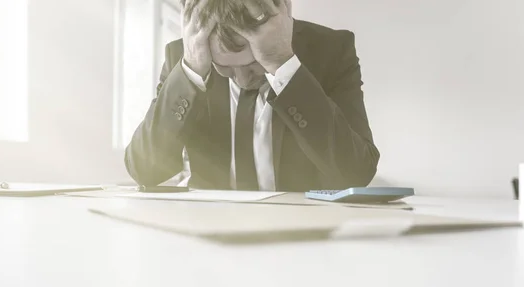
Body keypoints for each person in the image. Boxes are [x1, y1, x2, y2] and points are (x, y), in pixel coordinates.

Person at [125, 0, 380, 191]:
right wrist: (191, 70)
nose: (243, 80)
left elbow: (356, 173)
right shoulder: (185, 57)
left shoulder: (331, 51)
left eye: (254, 62)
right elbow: (145, 170)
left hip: (305, 239)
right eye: (224, 66)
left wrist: (282, 64)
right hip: (209, 237)